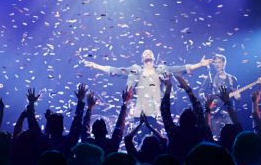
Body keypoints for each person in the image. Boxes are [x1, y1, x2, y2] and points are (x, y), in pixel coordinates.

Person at [82, 49, 212, 118]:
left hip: (158, 108)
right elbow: (115, 71)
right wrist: (96, 66)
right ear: (142, 58)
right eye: (145, 53)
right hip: (140, 109)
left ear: (154, 58)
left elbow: (181, 68)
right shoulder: (135, 70)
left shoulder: (162, 69)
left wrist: (200, 64)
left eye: (150, 53)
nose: (147, 53)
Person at [201, 54, 239, 139]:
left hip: (228, 114)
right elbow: (201, 92)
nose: (217, 64)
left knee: (231, 137)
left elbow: (238, 98)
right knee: (214, 138)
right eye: (215, 63)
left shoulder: (232, 79)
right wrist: (207, 102)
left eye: (219, 62)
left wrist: (237, 95)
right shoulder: (210, 78)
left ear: (224, 63)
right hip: (214, 115)